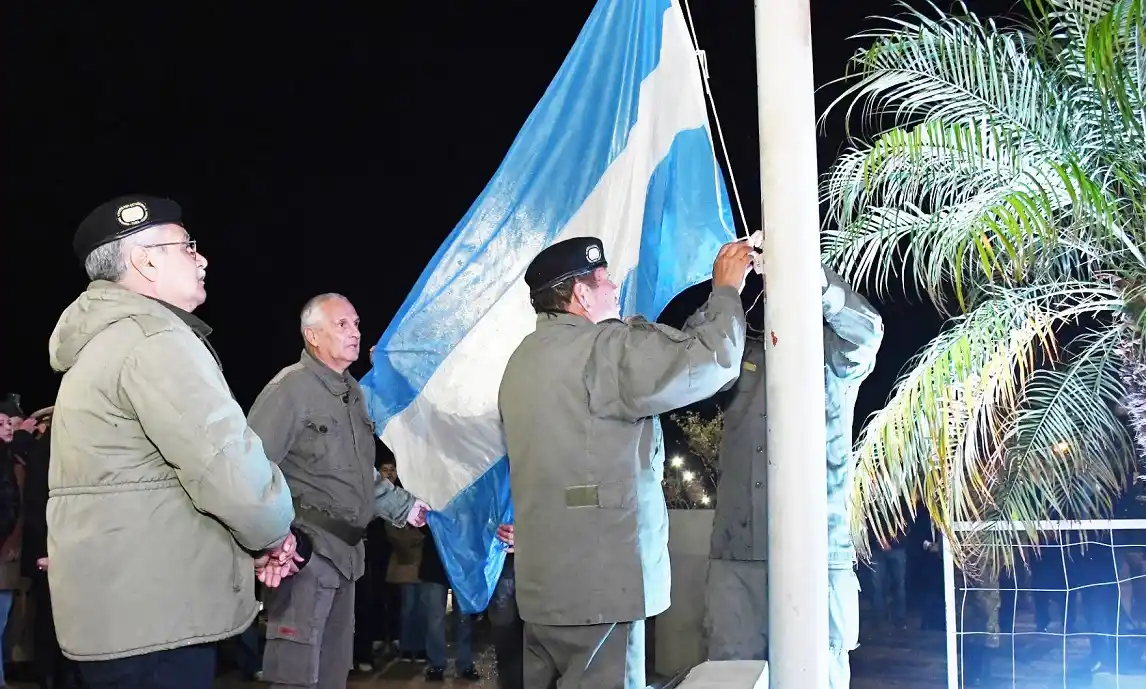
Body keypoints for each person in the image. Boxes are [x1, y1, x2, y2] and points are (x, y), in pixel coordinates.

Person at [47, 195, 300, 689]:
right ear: (145, 260)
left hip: (118, 614)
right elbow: (229, 470)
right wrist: (274, 535)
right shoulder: (154, 339)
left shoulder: (101, 343)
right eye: (187, 247)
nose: (202, 259)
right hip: (158, 621)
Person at [499, 237, 752, 689]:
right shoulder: (603, 350)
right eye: (605, 280)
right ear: (580, 294)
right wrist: (726, 291)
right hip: (599, 594)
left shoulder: (521, 361)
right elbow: (713, 360)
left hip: (543, 593)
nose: (615, 287)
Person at [703, 265, 883, 689]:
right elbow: (696, 358)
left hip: (817, 552)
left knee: (816, 674)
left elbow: (867, 332)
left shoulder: (834, 353)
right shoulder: (734, 355)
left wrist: (815, 278)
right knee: (733, 674)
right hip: (739, 554)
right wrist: (725, 291)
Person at [247, 292, 430, 689]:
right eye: (342, 325)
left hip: (348, 555)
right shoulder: (290, 390)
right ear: (313, 336)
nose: (355, 333)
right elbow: (250, 471)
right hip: (305, 553)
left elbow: (360, 472)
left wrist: (405, 507)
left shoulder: (352, 395)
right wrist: (273, 541)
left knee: (332, 673)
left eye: (357, 324)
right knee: (295, 676)